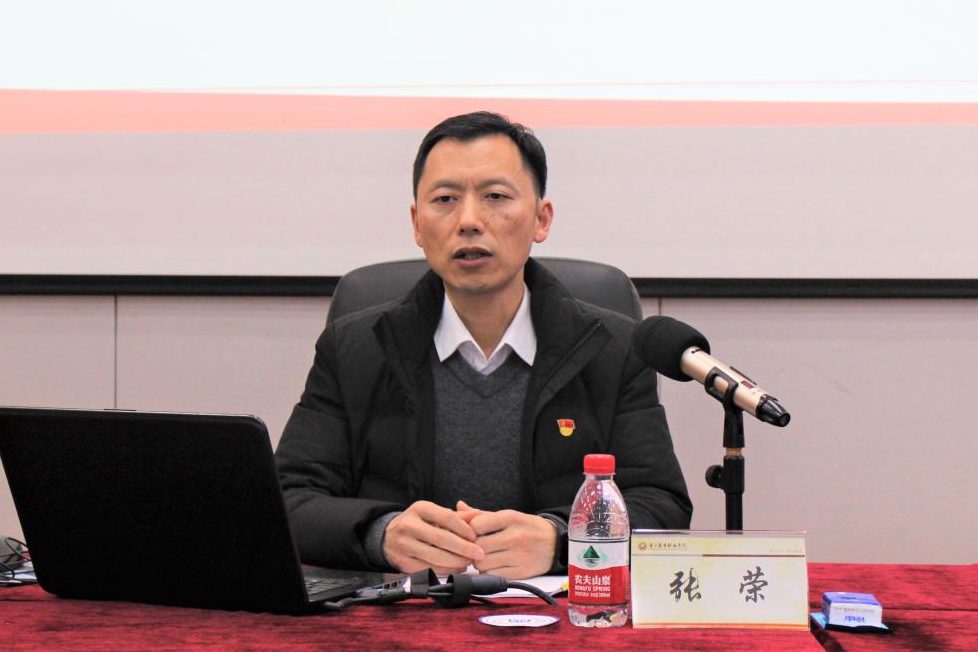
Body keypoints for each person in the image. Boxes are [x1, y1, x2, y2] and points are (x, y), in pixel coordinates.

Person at [275, 111, 691, 579]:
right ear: (417, 224)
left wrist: (562, 538)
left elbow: (661, 505)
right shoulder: (356, 348)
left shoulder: (612, 349)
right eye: (445, 200)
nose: (469, 221)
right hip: (402, 610)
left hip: (555, 614)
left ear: (541, 219)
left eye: (495, 196)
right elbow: (287, 500)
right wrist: (381, 534)